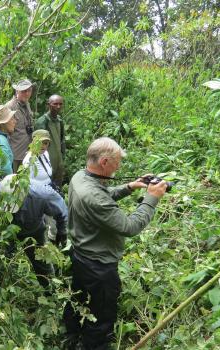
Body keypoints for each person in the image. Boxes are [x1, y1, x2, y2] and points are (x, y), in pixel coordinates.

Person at [62, 137, 168, 350]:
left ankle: (71, 336)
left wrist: (130, 187)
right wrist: (151, 199)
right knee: (102, 315)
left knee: (78, 300)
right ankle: (94, 345)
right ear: (104, 162)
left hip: (80, 256)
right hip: (99, 267)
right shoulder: (94, 197)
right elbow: (130, 227)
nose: (119, 166)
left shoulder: (80, 177)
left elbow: (102, 195)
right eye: (117, 161)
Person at [0, 174, 68, 287]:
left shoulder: (42, 194)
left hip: (34, 231)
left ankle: (51, 290)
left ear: (23, 195)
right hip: (5, 232)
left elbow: (61, 210)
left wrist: (61, 232)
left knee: (42, 264)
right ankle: (2, 285)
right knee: (1, 261)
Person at [22, 129, 61, 242]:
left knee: (54, 225)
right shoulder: (28, 160)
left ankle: (53, 247)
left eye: (46, 143)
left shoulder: (45, 154)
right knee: (42, 227)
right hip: (36, 198)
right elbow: (26, 183)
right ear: (33, 142)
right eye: (40, 142)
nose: (43, 146)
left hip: (48, 194)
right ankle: (45, 250)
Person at [35, 95, 66, 187]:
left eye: (60, 104)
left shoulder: (60, 120)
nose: (58, 107)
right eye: (55, 104)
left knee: (58, 187)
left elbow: (62, 140)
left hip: (58, 161)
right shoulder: (42, 121)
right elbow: (37, 146)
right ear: (49, 105)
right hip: (47, 162)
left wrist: (63, 156)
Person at [6, 79, 34, 173]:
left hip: (27, 152)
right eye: (24, 91)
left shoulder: (27, 104)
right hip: (15, 154)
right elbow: (4, 132)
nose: (27, 94)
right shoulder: (10, 107)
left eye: (29, 90)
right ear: (17, 91)